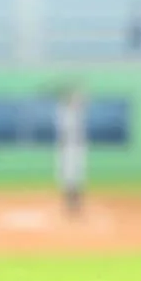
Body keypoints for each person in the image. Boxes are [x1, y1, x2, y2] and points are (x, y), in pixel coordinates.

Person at [56, 85, 88, 219]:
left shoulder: (77, 113)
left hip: (77, 148)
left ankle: (76, 203)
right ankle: (70, 203)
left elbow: (82, 102)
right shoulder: (65, 113)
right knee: (68, 176)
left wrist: (78, 96)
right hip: (67, 148)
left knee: (78, 175)